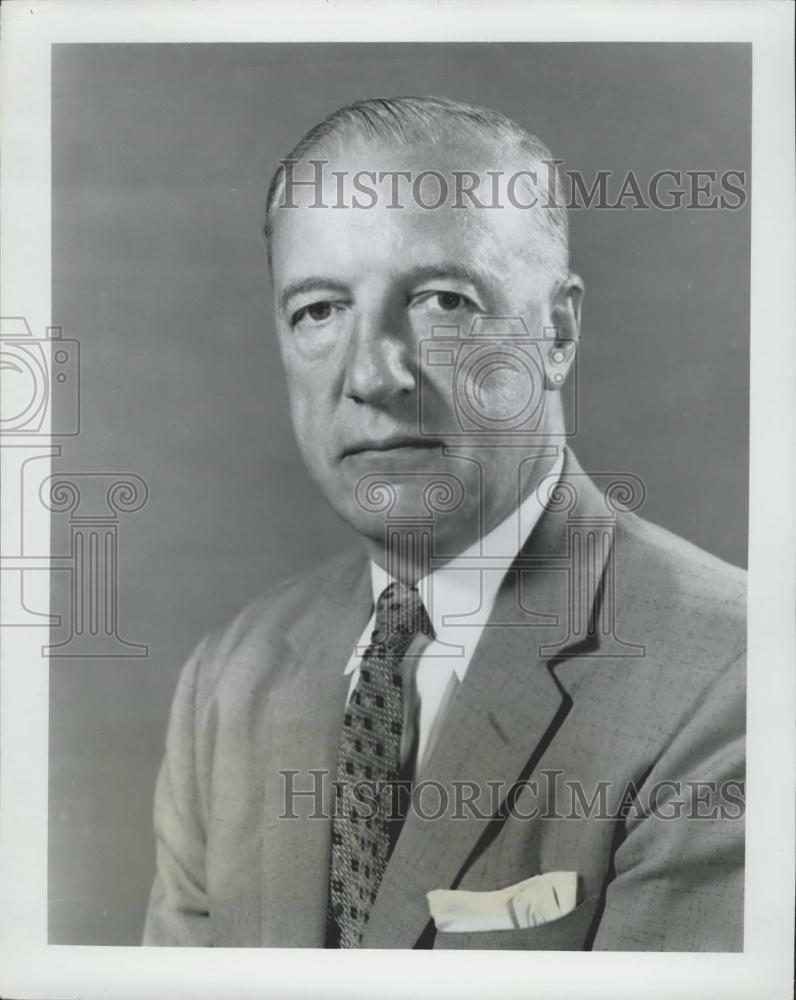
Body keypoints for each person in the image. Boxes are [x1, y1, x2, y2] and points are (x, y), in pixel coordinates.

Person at [143, 97, 745, 950]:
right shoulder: (228, 684)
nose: (373, 373)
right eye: (319, 309)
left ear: (558, 330)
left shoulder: (737, 682)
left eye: (442, 301)